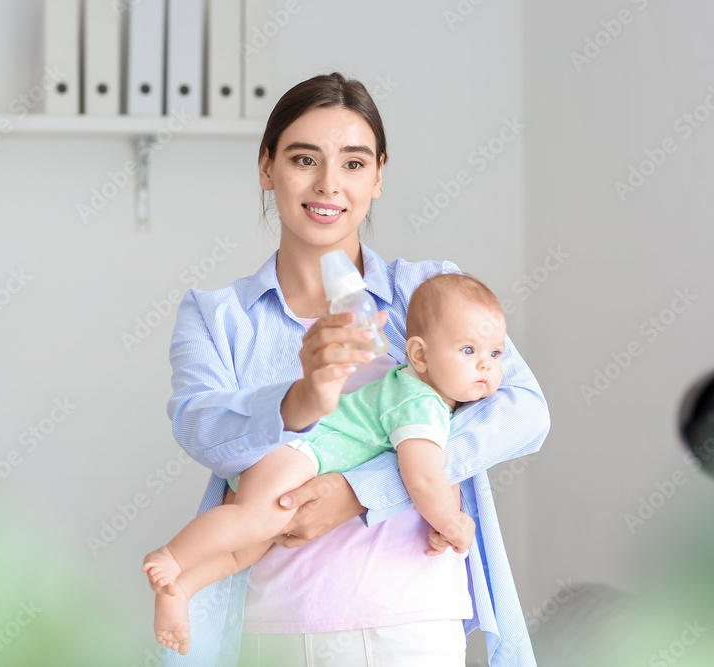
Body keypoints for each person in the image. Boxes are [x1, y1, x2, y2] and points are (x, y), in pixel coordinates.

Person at [159, 72, 550, 667]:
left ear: (379, 176)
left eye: (353, 163)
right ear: (267, 167)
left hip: (414, 624)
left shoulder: (428, 293)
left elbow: (523, 412)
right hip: (277, 630)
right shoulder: (220, 317)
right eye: (304, 159)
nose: (327, 185)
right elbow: (200, 428)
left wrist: (362, 491)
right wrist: (301, 399)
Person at [144, 272, 507, 656]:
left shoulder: (420, 392)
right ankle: (171, 556)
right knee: (252, 520)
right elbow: (422, 478)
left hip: (305, 461)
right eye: (468, 351)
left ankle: (180, 588)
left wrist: (441, 521)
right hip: (303, 452)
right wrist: (451, 523)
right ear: (419, 355)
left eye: (495, 354)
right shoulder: (422, 403)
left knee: (246, 549)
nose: (484, 365)